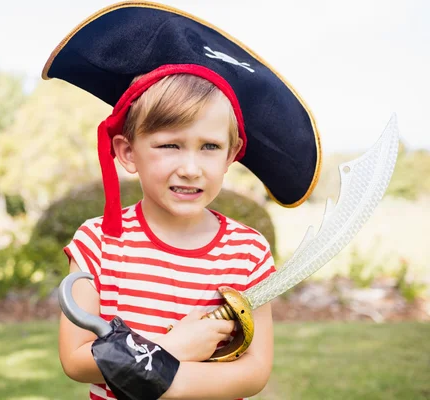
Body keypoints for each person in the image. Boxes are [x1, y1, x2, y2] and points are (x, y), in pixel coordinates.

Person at [42, 2, 321, 399]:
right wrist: (171, 349)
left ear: (231, 154)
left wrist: (162, 379)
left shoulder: (246, 252)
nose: (191, 168)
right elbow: (75, 359)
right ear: (127, 152)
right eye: (170, 145)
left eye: (209, 146)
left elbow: (254, 371)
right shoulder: (99, 243)